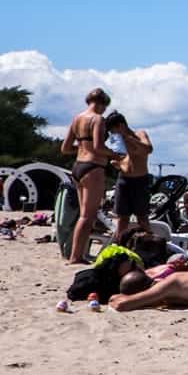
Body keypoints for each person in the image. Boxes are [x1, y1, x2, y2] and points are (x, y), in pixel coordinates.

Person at [61, 88, 114, 264]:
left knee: (83, 215)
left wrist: (83, 146)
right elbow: (99, 147)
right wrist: (115, 154)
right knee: (87, 216)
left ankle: (75, 254)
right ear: (103, 103)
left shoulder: (77, 118)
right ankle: (76, 256)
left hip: (78, 166)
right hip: (93, 167)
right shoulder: (97, 119)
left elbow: (65, 148)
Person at [105, 111, 155, 243]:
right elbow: (127, 161)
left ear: (120, 125)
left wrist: (127, 138)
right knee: (122, 220)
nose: (113, 134)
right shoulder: (117, 141)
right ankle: (119, 248)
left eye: (113, 130)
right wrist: (119, 165)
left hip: (140, 180)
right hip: (124, 180)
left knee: (142, 219)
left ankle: (149, 247)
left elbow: (148, 149)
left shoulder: (139, 134)